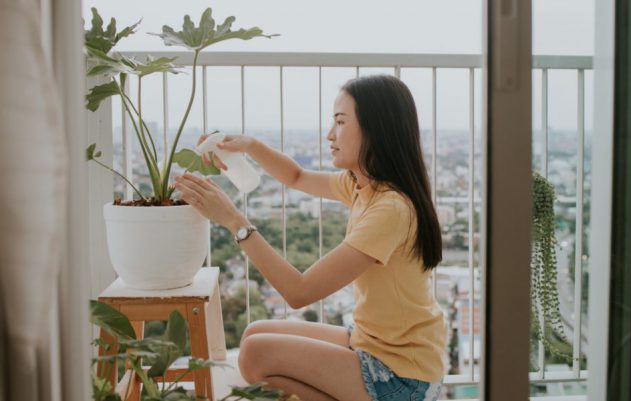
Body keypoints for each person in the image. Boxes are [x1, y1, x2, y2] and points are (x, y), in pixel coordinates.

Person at [173, 75, 446, 401]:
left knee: (255, 354)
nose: (330, 135)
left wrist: (233, 220)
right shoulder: (363, 185)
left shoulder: (391, 209)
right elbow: (296, 176)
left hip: (401, 376)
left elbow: (299, 292)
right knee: (253, 333)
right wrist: (250, 146)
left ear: (376, 129)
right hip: (371, 343)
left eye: (341, 122)